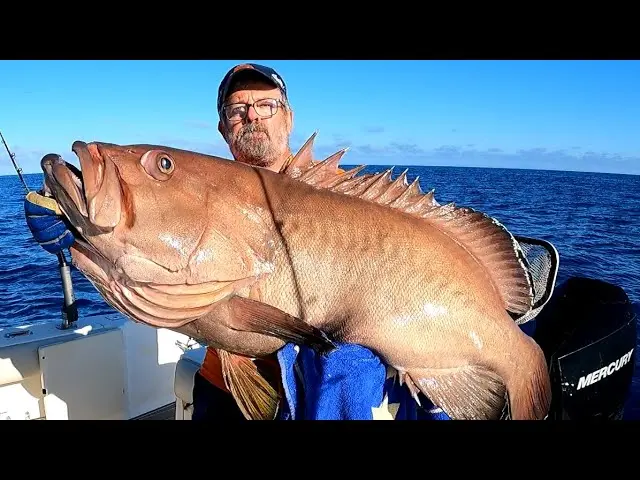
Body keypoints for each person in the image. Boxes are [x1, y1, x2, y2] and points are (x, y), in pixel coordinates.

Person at [22, 62, 451, 421]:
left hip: (323, 383)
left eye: (267, 105)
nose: (253, 116)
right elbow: (151, 258)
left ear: (288, 118)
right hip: (225, 376)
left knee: (348, 363)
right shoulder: (203, 189)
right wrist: (76, 231)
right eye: (237, 109)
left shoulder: (344, 197)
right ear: (224, 128)